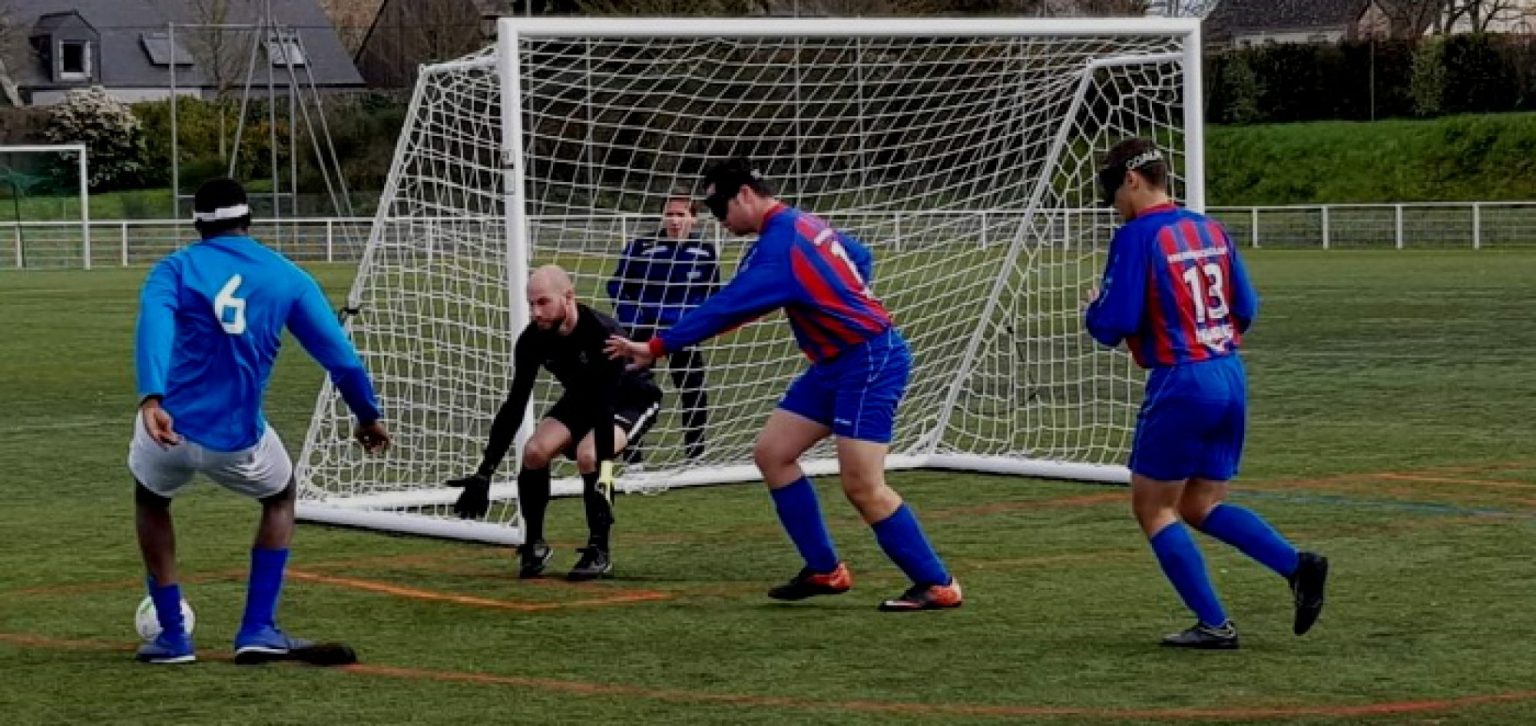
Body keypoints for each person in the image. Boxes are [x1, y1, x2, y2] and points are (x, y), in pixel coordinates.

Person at [606, 158, 961, 611]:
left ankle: (937, 583)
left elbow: (727, 307)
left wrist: (656, 346)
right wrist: (836, 299)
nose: (721, 222)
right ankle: (824, 570)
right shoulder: (801, 222)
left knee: (862, 485)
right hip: (835, 362)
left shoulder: (782, 244)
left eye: (721, 211)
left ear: (746, 196)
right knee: (773, 454)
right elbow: (861, 258)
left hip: (869, 358)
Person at [130, 178, 390, 665]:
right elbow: (342, 361)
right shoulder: (288, 277)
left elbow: (154, 324)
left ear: (197, 224)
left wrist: (152, 396)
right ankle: (257, 627)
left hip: (167, 428)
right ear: (249, 220)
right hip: (239, 439)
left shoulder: (175, 267)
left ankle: (172, 636)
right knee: (280, 496)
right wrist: (367, 415)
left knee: (151, 498)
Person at [1084, 138, 1328, 649]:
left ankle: (1215, 624)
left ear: (1132, 179)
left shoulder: (1136, 237)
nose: (1112, 201)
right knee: (1200, 503)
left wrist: (1094, 308)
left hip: (1183, 380)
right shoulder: (1208, 227)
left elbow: (1115, 322)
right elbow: (1247, 308)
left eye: (1111, 187)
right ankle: (1296, 564)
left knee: (1153, 509)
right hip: (1228, 373)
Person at [446, 265, 663, 581]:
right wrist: (485, 471)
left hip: (629, 399)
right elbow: (515, 404)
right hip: (583, 398)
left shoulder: (603, 334)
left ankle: (599, 548)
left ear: (569, 297)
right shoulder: (533, 340)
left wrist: (604, 473)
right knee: (534, 451)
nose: (535, 312)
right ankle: (534, 544)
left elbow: (603, 411)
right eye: (531, 303)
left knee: (589, 456)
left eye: (543, 302)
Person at [607, 189, 719, 462]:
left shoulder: (705, 252)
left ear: (694, 219)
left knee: (693, 391)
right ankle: (633, 459)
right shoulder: (640, 248)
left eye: (681, 215)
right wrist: (633, 318)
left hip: (682, 331)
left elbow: (713, 292)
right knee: (635, 390)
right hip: (643, 331)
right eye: (669, 214)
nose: (674, 220)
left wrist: (697, 322)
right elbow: (616, 285)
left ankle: (695, 457)